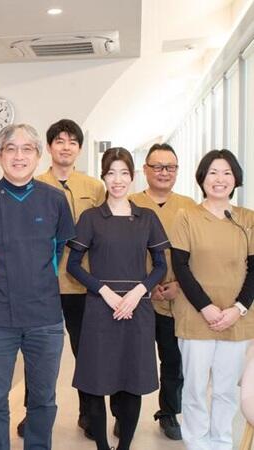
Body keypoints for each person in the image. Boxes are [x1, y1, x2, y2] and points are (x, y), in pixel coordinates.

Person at [0, 124, 75, 450]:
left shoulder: (55, 200)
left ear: (38, 156)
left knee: (43, 398)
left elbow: (58, 250)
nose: (19, 156)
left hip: (45, 316)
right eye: (11, 148)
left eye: (27, 149)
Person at [67, 147, 169, 450]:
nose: (118, 179)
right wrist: (105, 292)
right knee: (95, 382)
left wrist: (139, 291)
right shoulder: (91, 218)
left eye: (124, 173)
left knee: (131, 382)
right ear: (103, 176)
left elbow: (160, 265)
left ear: (132, 176)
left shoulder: (147, 217)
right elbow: (73, 265)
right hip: (101, 309)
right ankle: (101, 445)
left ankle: (124, 446)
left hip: (137, 309)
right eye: (111, 173)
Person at [17, 119, 105, 439]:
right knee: (38, 355)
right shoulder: (33, 184)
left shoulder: (94, 187)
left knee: (88, 353)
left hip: (83, 285)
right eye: (60, 141)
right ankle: (34, 416)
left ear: (79, 149)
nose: (66, 147)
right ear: (49, 147)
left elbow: (104, 235)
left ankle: (90, 414)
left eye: (72, 142)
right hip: (44, 286)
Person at [170, 149, 254, 450]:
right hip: (196, 316)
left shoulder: (247, 219)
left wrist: (238, 309)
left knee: (226, 389)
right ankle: (196, 443)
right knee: (194, 387)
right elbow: (181, 267)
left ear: (236, 179)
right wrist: (206, 308)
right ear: (202, 178)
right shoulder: (186, 217)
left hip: (236, 318)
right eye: (213, 172)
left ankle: (221, 442)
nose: (220, 179)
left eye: (227, 173)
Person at [129, 143, 196, 440]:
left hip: (176, 297)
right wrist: (144, 288)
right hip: (136, 298)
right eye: (157, 166)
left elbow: (198, 254)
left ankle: (169, 413)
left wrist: (179, 285)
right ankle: (124, 414)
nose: (163, 172)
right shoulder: (129, 203)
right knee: (130, 359)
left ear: (177, 171)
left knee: (173, 360)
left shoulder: (190, 207)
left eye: (170, 167)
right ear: (145, 170)